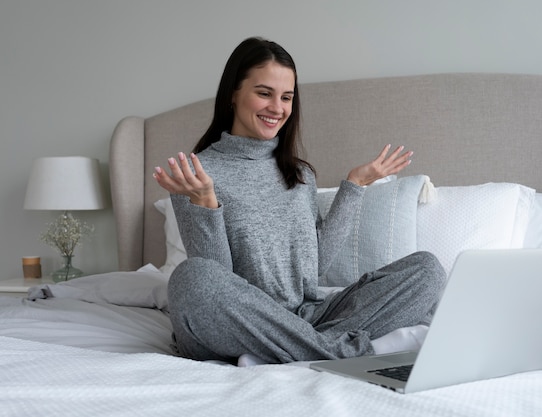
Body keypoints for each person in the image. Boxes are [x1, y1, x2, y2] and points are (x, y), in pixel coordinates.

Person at [153, 37, 446, 366]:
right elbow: (220, 281)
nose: (277, 108)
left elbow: (314, 268)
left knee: (427, 271)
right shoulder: (196, 175)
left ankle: (302, 348)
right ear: (233, 94)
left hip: (309, 316)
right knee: (192, 278)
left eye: (287, 97)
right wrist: (205, 203)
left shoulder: (300, 175)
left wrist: (354, 186)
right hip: (241, 325)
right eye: (264, 93)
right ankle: (334, 351)